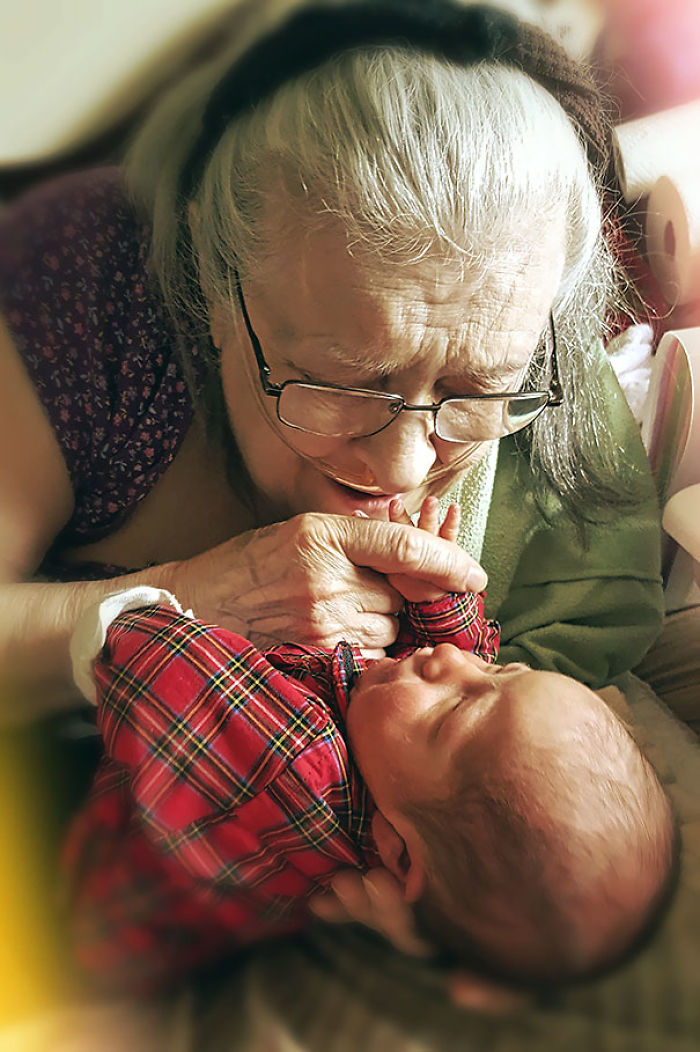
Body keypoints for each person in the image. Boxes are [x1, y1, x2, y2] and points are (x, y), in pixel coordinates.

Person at [0, 0, 674, 1002]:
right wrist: (191, 594)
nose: (404, 458)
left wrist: (439, 918)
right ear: (213, 281)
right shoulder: (84, 285)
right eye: (342, 380)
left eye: (470, 392)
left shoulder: (540, 363)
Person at [62, 499, 676, 997]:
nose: (455, 661)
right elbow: (471, 667)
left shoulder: (298, 766)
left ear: (397, 854)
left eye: (457, 707)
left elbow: (147, 657)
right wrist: (435, 597)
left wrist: (155, 603)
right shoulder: (432, 818)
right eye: (503, 675)